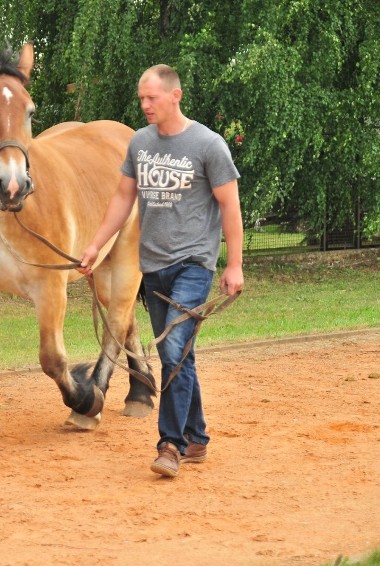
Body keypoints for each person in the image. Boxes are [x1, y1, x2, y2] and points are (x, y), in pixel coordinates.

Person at [77, 64, 244, 478]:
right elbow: (121, 198)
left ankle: (170, 444)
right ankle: (198, 436)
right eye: (141, 98)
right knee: (180, 355)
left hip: (193, 265)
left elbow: (230, 205)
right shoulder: (141, 143)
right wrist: (97, 244)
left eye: (151, 97)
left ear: (175, 96)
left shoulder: (208, 145)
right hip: (152, 267)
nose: (145, 105)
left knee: (170, 350)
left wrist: (235, 264)